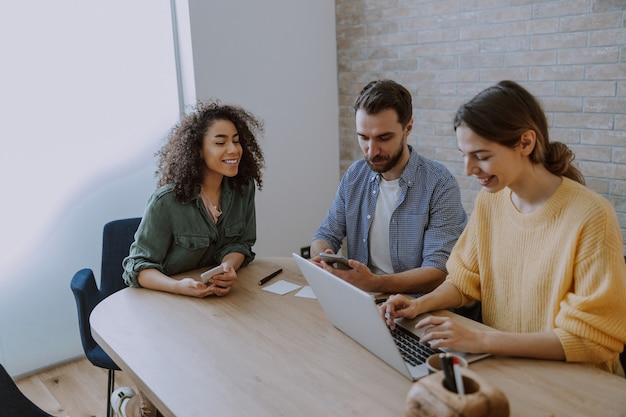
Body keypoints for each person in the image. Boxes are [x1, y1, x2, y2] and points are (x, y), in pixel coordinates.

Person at [381, 80, 626, 376]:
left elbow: (591, 339)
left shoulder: (591, 216)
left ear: (525, 142)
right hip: (507, 366)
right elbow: (464, 280)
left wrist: (483, 339)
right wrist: (418, 305)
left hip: (576, 381)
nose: (468, 169)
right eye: (464, 154)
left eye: (481, 156)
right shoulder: (491, 201)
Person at [112, 100, 265, 417]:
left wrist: (229, 266)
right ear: (198, 150)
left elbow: (242, 242)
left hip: (214, 305)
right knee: (158, 407)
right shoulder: (167, 201)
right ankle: (129, 405)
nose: (233, 149)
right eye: (220, 142)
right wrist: (179, 287)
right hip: (165, 305)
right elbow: (137, 268)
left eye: (236, 140)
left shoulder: (243, 189)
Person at [311, 79, 467, 294]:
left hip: (416, 306)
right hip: (363, 297)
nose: (371, 151)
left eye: (383, 138)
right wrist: (323, 258)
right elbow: (325, 234)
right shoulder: (355, 176)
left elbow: (438, 271)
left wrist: (374, 283)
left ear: (408, 127)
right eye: (363, 138)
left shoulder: (439, 184)